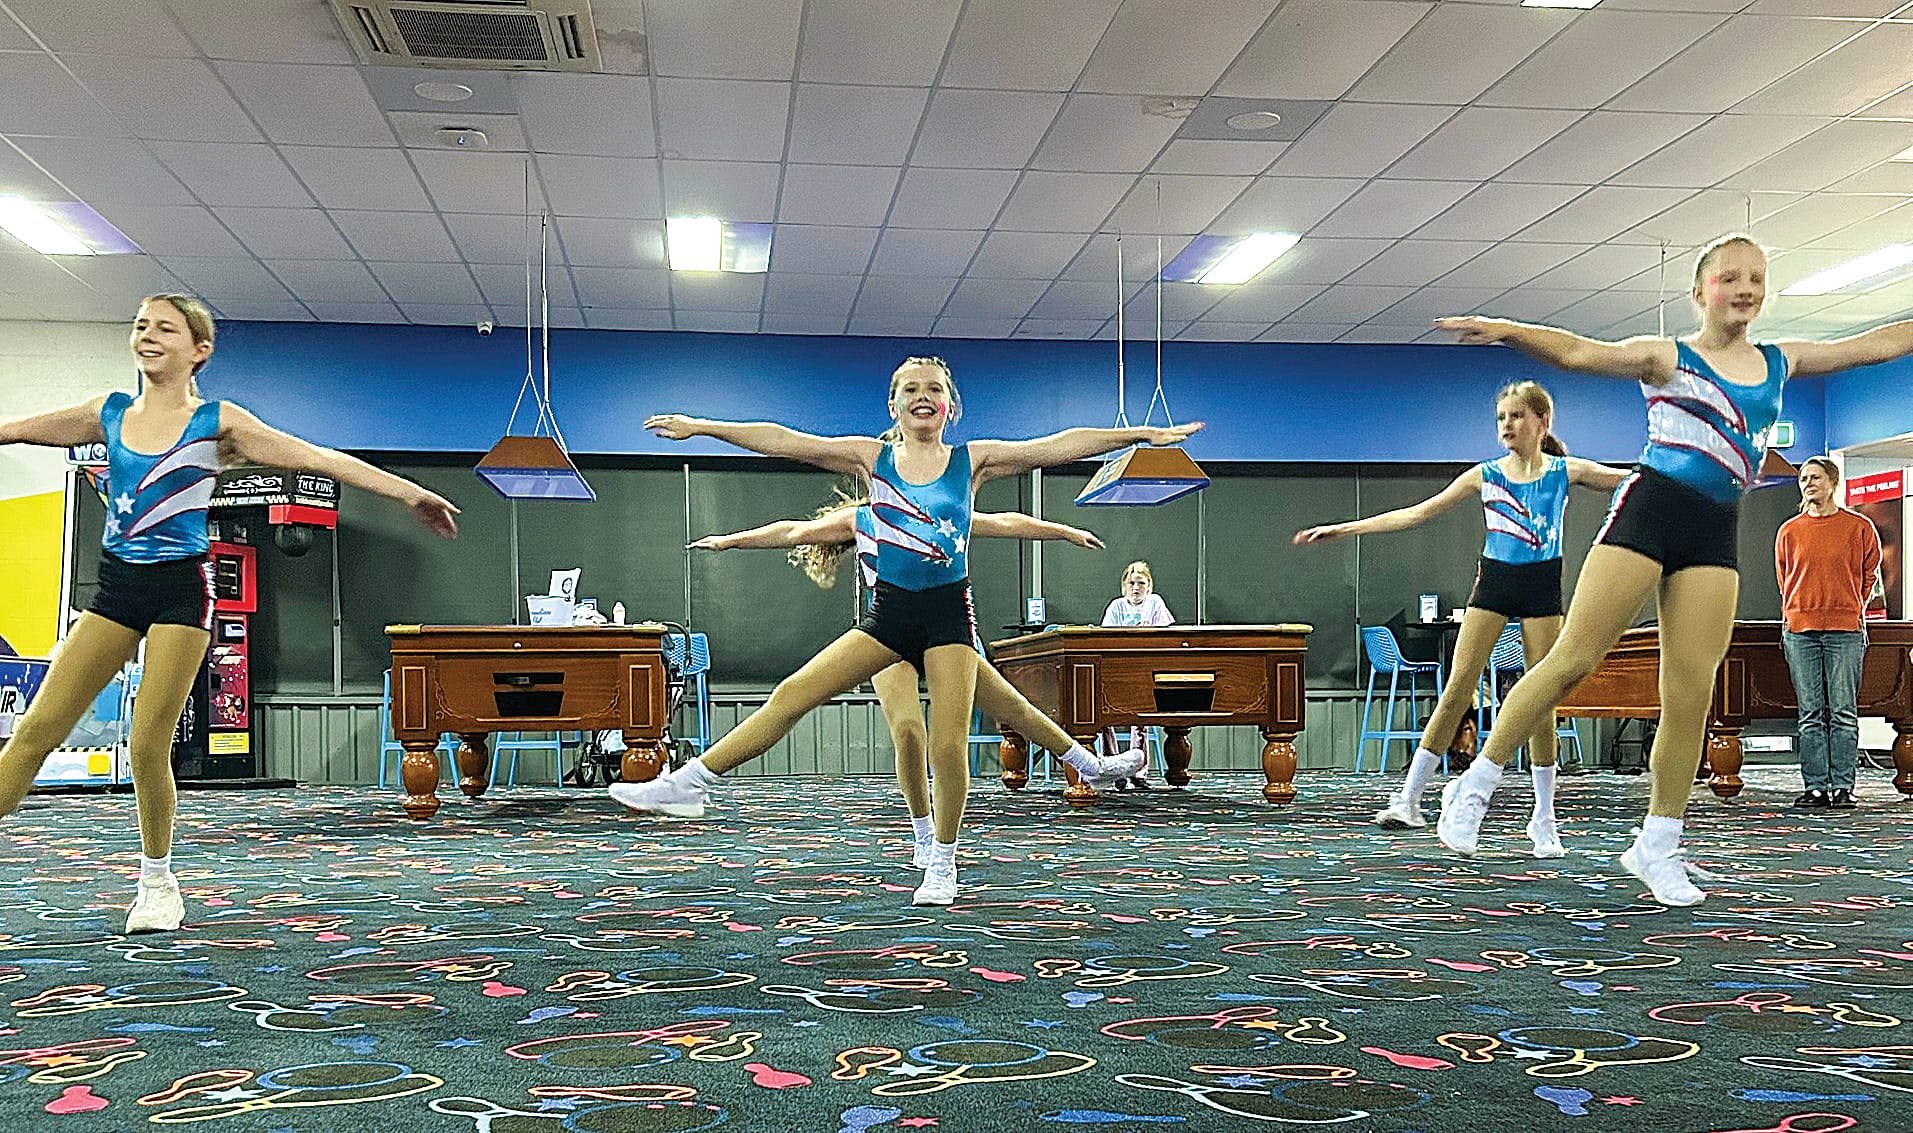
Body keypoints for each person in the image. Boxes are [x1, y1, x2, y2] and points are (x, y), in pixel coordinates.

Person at [1431, 235, 1913, 906]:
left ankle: (1656, 842)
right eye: (1727, 278)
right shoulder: (1668, 355)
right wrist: (1509, 330)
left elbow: (1877, 344)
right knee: (1572, 658)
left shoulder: (1781, 360)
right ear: (1699, 291)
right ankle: (1474, 782)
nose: (1743, 288)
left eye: (1755, 277)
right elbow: (1576, 351)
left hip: (1713, 529)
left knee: (1690, 691)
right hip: (1648, 511)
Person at [618, 356, 1198, 906]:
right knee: (794, 694)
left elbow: (1056, 445)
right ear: (893, 405)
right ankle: (690, 782)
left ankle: (943, 860)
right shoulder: (870, 460)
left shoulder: (975, 460)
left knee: (950, 743)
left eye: (935, 390)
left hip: (947, 615)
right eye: (911, 390)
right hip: (889, 617)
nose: (923, 397)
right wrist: (702, 428)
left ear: (952, 406)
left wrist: (1136, 437)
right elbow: (785, 439)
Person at [0, 294, 460, 933]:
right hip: (115, 591)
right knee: (35, 733)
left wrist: (411, 492)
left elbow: (321, 459)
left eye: (165, 327)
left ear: (199, 350)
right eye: (140, 325)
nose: (148, 335)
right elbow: (12, 427)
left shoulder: (218, 422)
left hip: (180, 594)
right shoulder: (104, 413)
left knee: (147, 741)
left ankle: (157, 881)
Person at [691, 496, 1123, 867]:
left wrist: (1062, 531)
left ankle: (1092, 766)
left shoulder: (939, 511)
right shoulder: (863, 517)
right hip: (889, 636)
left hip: (943, 635)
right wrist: (729, 541)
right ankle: (922, 831)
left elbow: (1003, 521)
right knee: (909, 731)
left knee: (1014, 707)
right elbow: (793, 531)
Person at [1294, 382, 1626, 856]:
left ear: (1541, 423)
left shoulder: (1566, 471)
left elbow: (1636, 481)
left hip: (1542, 584)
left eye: (1516, 416)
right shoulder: (1485, 475)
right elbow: (1416, 514)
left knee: (1540, 700)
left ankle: (1545, 820)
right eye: (1501, 418)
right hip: (1494, 582)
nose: (1507, 425)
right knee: (1457, 689)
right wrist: (1346, 529)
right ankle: (1408, 799)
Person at [1775, 456, 1881, 810]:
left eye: (1815, 478)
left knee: (1843, 711)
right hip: (1800, 631)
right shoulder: (1789, 531)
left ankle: (1843, 786)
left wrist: (1850, 605)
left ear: (1832, 482)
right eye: (1804, 478)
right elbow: (1785, 579)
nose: (1808, 484)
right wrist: (1794, 612)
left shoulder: (1859, 527)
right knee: (1809, 712)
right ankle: (1816, 786)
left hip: (1845, 630)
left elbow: (1869, 574)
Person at [1098, 560, 1176, 789]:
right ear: (1124, 586)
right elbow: (1105, 640)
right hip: (1116, 672)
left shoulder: (1155, 603)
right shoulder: (1116, 607)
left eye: (1140, 583)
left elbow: (1165, 635)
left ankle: (1138, 772)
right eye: (1131, 583)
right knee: (1104, 717)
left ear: (1149, 585)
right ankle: (1113, 769)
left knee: (1140, 719)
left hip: (1144, 672)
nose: (1135, 588)